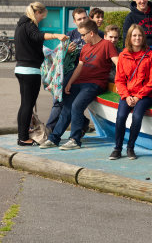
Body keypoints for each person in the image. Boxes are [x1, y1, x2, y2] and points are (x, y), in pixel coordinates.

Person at [39, 19, 119, 150]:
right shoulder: (86, 47)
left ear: (91, 33)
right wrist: (69, 83)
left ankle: (75, 140)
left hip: (95, 83)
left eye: (83, 35)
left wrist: (123, 81)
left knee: (77, 106)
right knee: (66, 107)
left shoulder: (107, 45)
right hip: (79, 82)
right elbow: (79, 67)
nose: (81, 38)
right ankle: (54, 138)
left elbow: (118, 62)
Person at [14, 2, 68, 146]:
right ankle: (23, 138)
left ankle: (22, 135)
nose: (41, 19)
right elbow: (38, 36)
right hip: (30, 70)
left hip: (20, 68)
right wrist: (56, 35)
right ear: (37, 13)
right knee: (27, 104)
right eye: (42, 17)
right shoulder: (30, 25)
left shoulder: (20, 25)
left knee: (25, 104)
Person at [109, 24, 152, 160]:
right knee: (120, 117)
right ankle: (117, 148)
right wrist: (126, 96)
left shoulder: (150, 55)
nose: (137, 38)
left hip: (144, 95)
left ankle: (130, 147)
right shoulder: (123, 55)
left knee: (137, 116)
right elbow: (119, 80)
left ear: (143, 37)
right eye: (134, 35)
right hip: (127, 94)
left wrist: (138, 97)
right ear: (129, 38)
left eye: (140, 35)